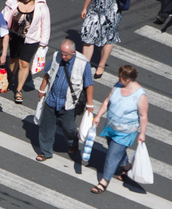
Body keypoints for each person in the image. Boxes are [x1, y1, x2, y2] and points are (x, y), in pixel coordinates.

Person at [90, 65, 148, 194]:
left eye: (120, 76)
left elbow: (143, 116)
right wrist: (98, 116)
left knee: (112, 156)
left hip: (125, 133)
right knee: (116, 151)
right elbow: (107, 101)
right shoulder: (118, 85)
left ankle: (104, 181)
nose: (118, 78)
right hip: (111, 127)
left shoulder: (140, 96)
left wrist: (142, 133)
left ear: (128, 79)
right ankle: (127, 167)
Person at [35, 39, 94, 161]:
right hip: (52, 99)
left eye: (66, 54)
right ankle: (45, 152)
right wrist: (42, 89)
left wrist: (90, 104)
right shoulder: (57, 55)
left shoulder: (83, 63)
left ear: (74, 52)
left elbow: (89, 84)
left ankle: (73, 143)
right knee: (46, 127)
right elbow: (48, 73)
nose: (63, 56)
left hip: (68, 103)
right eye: (62, 53)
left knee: (69, 128)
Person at [1, 0, 51, 104]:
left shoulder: (41, 5)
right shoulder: (13, 2)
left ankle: (19, 90)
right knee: (13, 58)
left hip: (32, 39)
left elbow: (45, 24)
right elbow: (4, 16)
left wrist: (43, 43)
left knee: (24, 63)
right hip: (14, 36)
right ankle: (11, 79)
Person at [80, 0, 121, 79]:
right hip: (95, 8)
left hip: (112, 10)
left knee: (108, 38)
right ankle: (85, 65)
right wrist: (85, 7)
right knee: (88, 35)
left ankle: (101, 66)